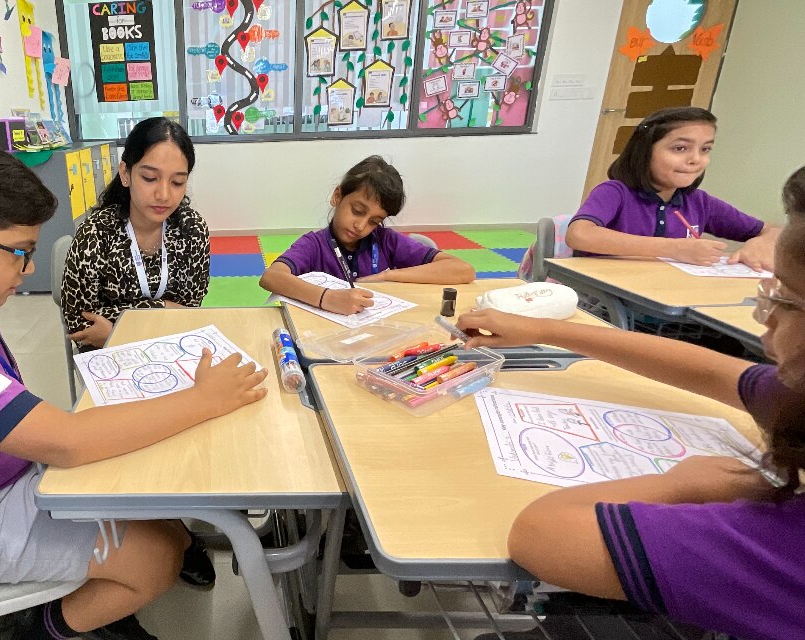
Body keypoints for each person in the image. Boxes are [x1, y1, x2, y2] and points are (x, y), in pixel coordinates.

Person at [0, 131, 268, 640]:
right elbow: (69, 442)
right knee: (160, 555)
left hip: (3, 478)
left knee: (162, 519)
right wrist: (205, 398)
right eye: (19, 253)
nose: (29, 269)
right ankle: (43, 630)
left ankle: (93, 595)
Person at [457, 165, 805, 640]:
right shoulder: (795, 393)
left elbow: (539, 533)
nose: (764, 330)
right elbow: (717, 372)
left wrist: (682, 482)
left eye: (781, 297)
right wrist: (542, 329)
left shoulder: (782, 546)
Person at [567, 107, 779, 270]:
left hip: (667, 303)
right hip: (608, 303)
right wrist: (673, 248)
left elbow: (775, 232)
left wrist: (758, 245)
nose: (696, 159)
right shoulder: (615, 192)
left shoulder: (700, 202)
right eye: (680, 148)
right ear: (645, 152)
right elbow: (579, 235)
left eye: (705, 149)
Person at [61, 117, 209, 350]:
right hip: (107, 352)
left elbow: (189, 312)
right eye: (150, 178)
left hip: (169, 343)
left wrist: (117, 325)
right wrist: (164, 307)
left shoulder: (192, 230)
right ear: (125, 173)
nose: (164, 194)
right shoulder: (96, 234)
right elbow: (80, 324)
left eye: (177, 182)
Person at [259, 155, 474, 315]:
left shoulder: (385, 241)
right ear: (337, 196)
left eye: (374, 221)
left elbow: (463, 270)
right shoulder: (314, 245)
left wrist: (386, 277)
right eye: (358, 211)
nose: (361, 226)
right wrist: (328, 298)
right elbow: (271, 277)